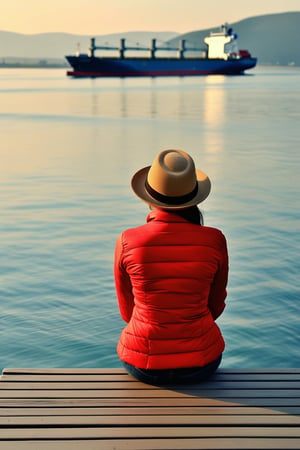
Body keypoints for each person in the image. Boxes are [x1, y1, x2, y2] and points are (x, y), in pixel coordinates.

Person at [114, 149, 228, 385]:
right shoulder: (214, 239)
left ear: (148, 198)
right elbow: (215, 306)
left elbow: (127, 312)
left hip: (143, 364)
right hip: (201, 363)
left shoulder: (129, 240)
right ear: (193, 198)